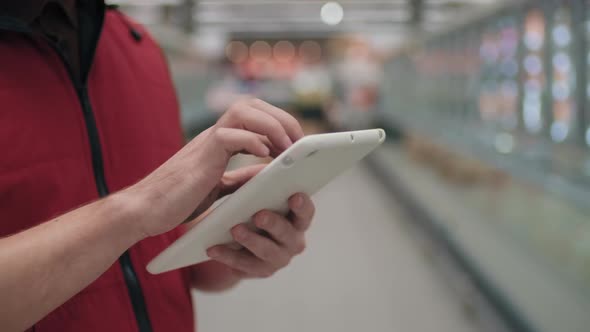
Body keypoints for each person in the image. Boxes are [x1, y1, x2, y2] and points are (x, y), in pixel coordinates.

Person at [0, 1, 315, 331]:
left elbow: (157, 250)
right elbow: (142, 213)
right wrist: (139, 207)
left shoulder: (139, 48)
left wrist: (236, 244)